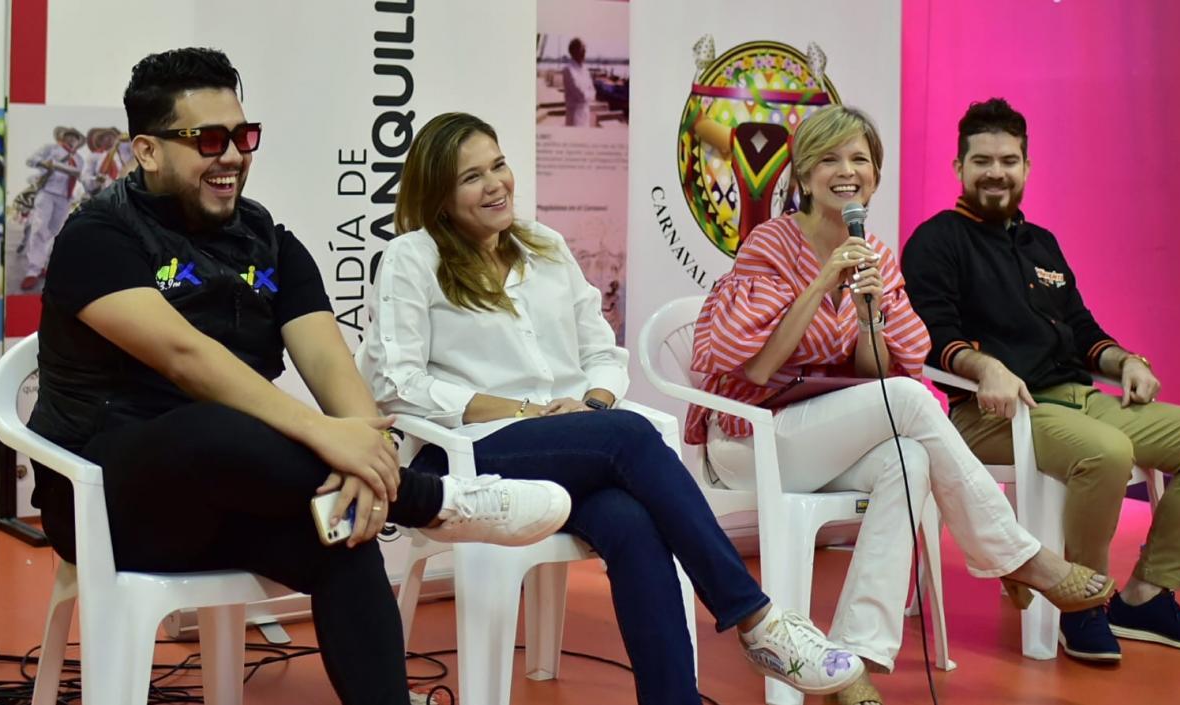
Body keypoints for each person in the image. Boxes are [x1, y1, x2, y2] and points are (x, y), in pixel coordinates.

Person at [26, 48, 571, 705]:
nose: (232, 155)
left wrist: (363, 454)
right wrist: (331, 440)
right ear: (147, 151)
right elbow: (185, 357)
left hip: (239, 490)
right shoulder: (98, 238)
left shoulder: (271, 245)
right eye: (209, 139)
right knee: (208, 425)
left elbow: (340, 384)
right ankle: (433, 501)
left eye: (243, 136)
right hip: (107, 500)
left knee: (343, 534)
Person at [358, 111, 867, 705]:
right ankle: (755, 619)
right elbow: (397, 382)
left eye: (498, 165)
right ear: (439, 197)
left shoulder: (543, 246)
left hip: (572, 443)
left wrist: (591, 402)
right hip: (468, 457)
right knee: (626, 436)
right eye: (472, 177)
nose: (496, 184)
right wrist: (523, 410)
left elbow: (601, 349)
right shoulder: (412, 258)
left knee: (629, 520)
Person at [686, 105, 1114, 705]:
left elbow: (879, 375)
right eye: (830, 159)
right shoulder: (771, 243)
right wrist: (821, 282)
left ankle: (852, 661)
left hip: (824, 434)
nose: (847, 171)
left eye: (860, 159)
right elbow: (755, 365)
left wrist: (867, 320)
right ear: (804, 176)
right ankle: (1017, 556)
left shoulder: (876, 256)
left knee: (910, 457)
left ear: (876, 175)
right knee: (913, 402)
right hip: (751, 437)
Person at [901, 97, 1180, 662]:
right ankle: (1079, 601)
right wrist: (986, 366)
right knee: (1107, 453)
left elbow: (1083, 331)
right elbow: (931, 336)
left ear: (1026, 168)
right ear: (959, 168)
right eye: (981, 160)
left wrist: (1127, 361)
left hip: (1078, 398)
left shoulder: (1043, 244)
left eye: (1008, 160)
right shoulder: (936, 240)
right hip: (989, 415)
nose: (995, 172)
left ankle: (1147, 594)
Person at [21, 126, 84, 290]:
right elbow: (30, 160)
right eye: (69, 136)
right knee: (39, 228)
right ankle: (32, 271)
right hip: (47, 192)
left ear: (78, 142)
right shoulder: (51, 149)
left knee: (55, 231)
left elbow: (77, 173)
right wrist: (44, 162)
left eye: (75, 137)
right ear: (63, 137)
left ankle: (41, 263)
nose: (72, 139)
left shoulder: (79, 159)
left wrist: (56, 165)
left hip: (65, 198)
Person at [562, 37, 596, 127]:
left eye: (585, 49)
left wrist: (588, 95)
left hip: (586, 114)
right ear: (574, 51)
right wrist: (588, 95)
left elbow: (593, 92)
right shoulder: (568, 70)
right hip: (574, 117)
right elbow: (580, 94)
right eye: (582, 49)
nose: (585, 52)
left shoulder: (585, 70)